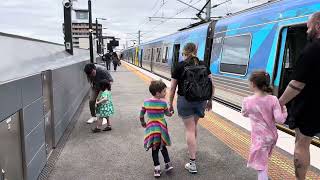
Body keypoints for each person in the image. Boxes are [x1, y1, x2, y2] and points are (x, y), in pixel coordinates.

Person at [279, 12, 320, 180]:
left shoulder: (313, 49)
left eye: (308, 27)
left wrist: (279, 102)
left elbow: (296, 84)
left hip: (310, 106)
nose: (306, 31)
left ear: (317, 26)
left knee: (302, 144)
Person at [169, 43, 214, 174]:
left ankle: (192, 163)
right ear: (196, 50)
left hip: (185, 100)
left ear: (184, 51)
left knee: (189, 129)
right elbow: (212, 84)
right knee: (194, 126)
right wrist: (210, 100)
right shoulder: (204, 64)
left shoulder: (179, 66)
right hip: (201, 100)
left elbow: (172, 88)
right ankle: (193, 148)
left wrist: (170, 103)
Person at [241, 71, 287, 180]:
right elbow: (280, 120)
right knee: (264, 161)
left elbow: (244, 114)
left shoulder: (247, 101)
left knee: (261, 167)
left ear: (253, 84)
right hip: (271, 137)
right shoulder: (273, 99)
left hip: (259, 138)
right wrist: (284, 111)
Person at [140, 80, 174, 178]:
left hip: (151, 128)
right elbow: (168, 114)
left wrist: (143, 122)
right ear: (158, 93)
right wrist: (171, 112)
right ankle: (167, 164)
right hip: (161, 128)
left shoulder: (146, 102)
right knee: (163, 146)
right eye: (164, 91)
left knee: (154, 148)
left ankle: (157, 169)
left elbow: (141, 114)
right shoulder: (163, 103)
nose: (165, 93)